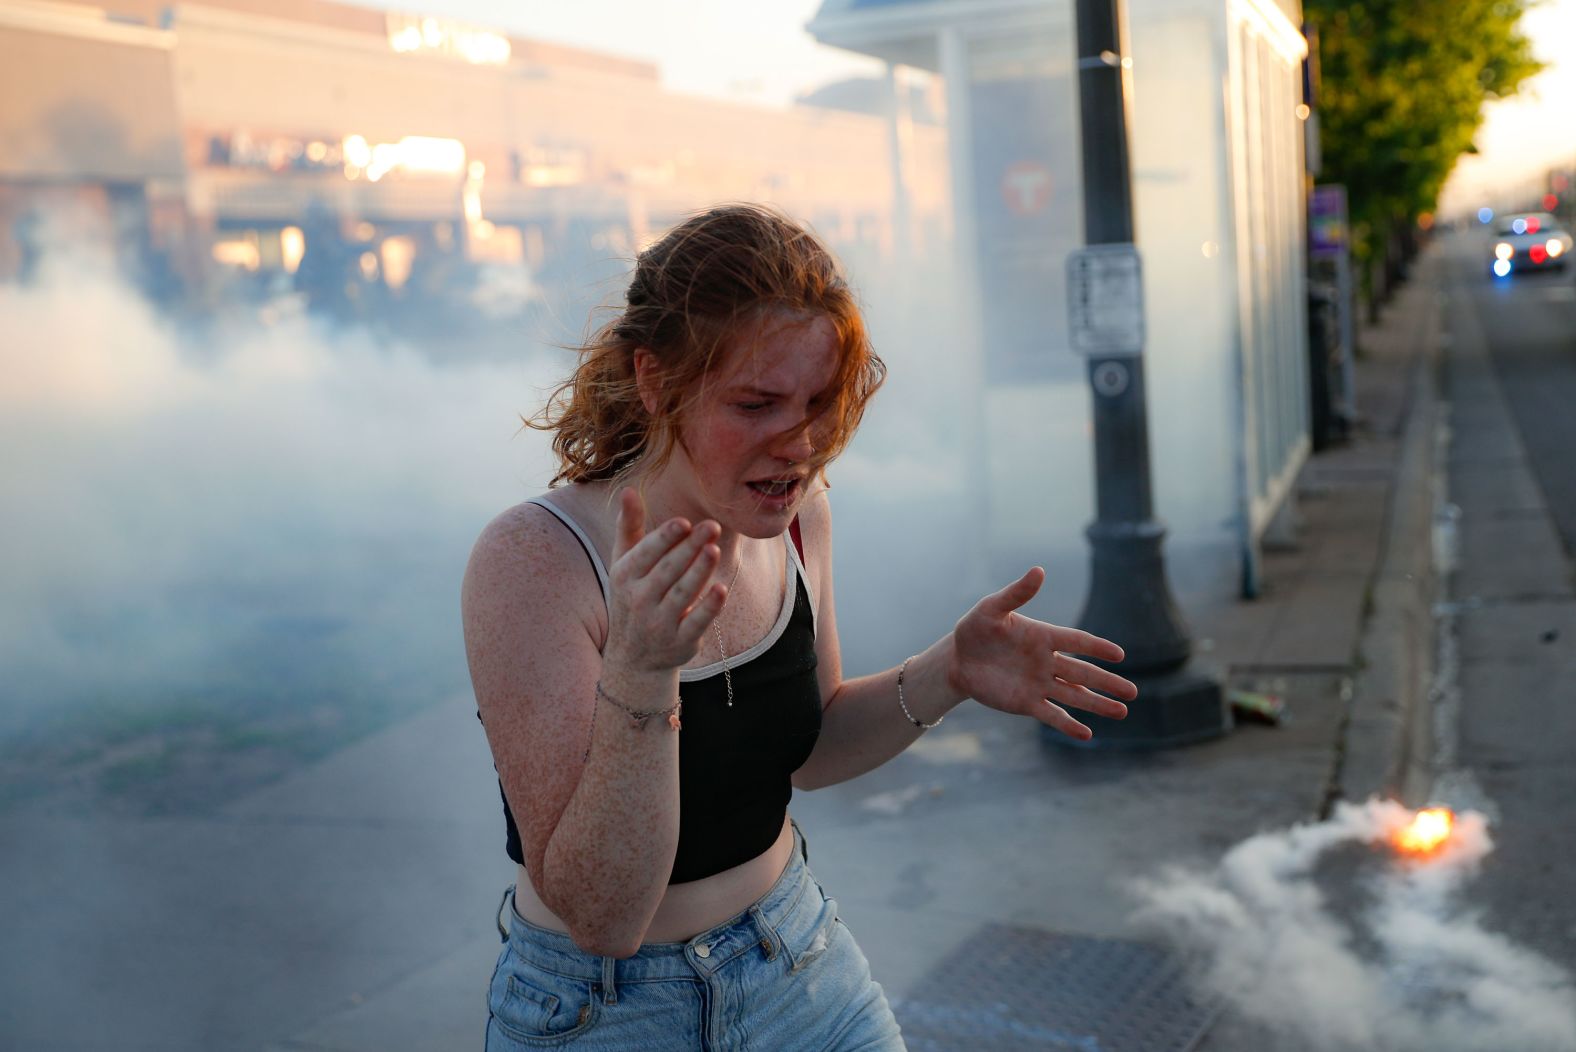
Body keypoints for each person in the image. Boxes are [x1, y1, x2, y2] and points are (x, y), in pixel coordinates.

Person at [460, 203, 1138, 1050]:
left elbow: (808, 752)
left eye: (821, 402)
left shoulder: (798, 517)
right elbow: (603, 915)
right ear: (654, 379)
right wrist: (640, 670)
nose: (803, 444)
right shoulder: (536, 559)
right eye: (756, 404)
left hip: (798, 961)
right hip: (602, 1011)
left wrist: (949, 672)